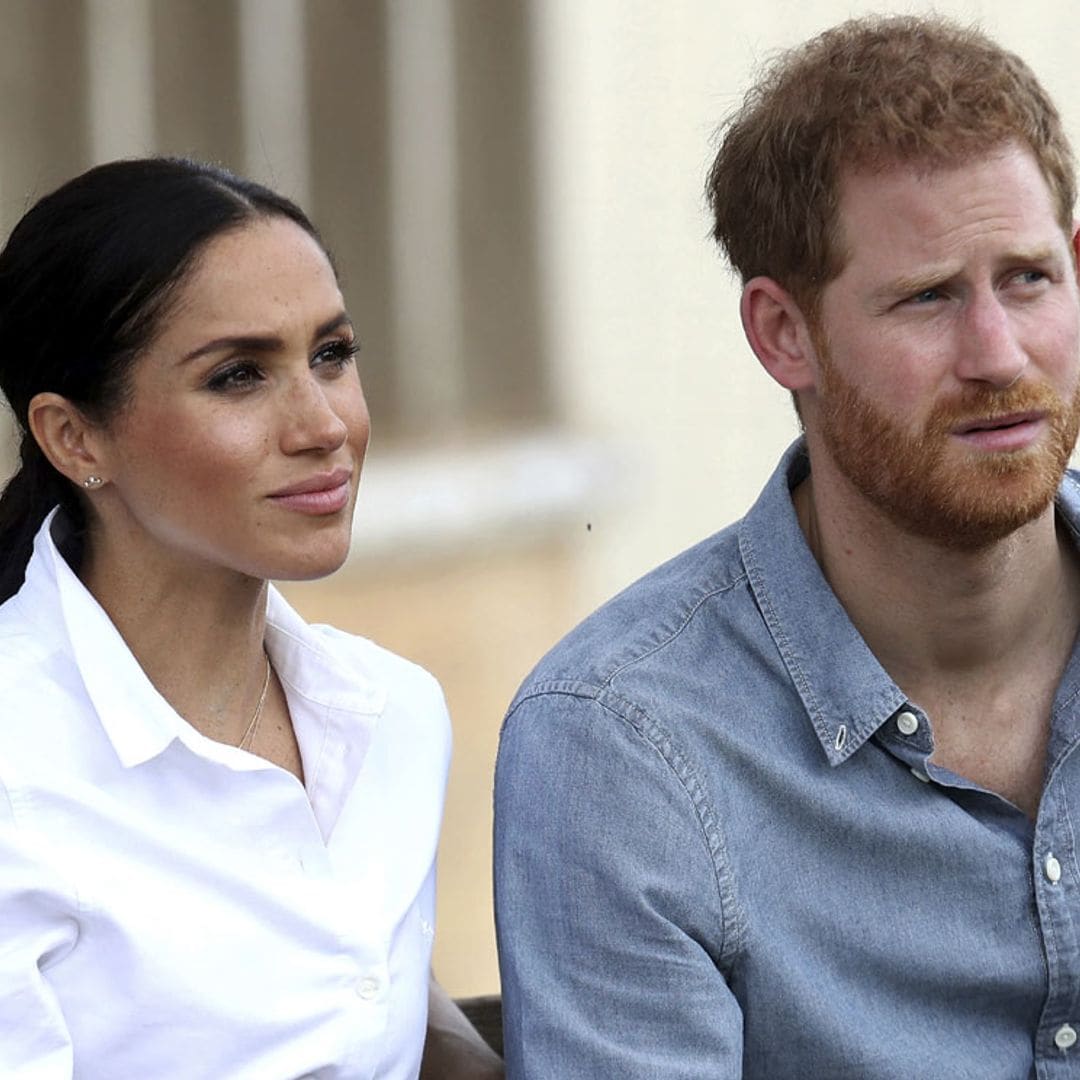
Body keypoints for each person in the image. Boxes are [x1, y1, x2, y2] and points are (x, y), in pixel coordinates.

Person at [494, 15, 1080, 1077]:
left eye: (1030, 280)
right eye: (929, 297)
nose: (998, 354)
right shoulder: (626, 747)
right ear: (782, 333)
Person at [0, 157, 502, 1078]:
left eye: (332, 355)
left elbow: (385, 1025)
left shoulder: (392, 714)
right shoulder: (16, 775)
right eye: (238, 375)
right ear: (73, 438)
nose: (322, 426)